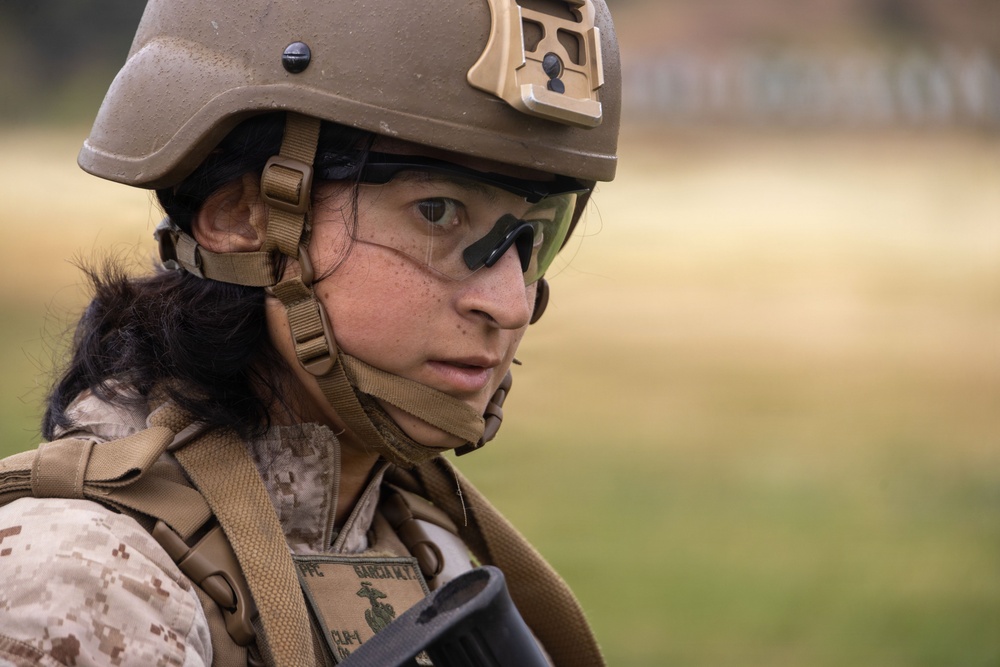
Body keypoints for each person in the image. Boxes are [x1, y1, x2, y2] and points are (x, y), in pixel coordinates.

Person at [0, 0, 620, 665]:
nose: (509, 304)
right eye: (438, 211)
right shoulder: (83, 582)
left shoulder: (427, 550)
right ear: (244, 216)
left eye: (535, 234)